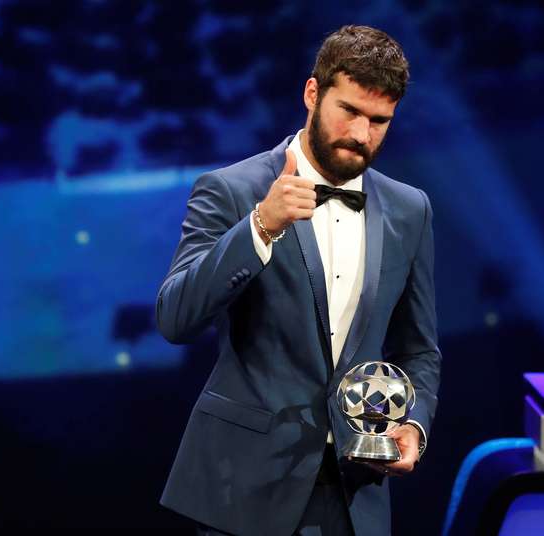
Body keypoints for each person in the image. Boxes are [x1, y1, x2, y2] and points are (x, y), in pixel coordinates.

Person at [156, 25, 441, 536]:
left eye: (379, 121)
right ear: (313, 93)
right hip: (241, 490)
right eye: (349, 111)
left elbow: (418, 348)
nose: (360, 134)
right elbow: (176, 318)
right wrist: (260, 227)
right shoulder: (231, 190)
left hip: (356, 496)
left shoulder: (409, 209)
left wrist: (413, 424)